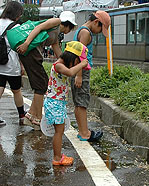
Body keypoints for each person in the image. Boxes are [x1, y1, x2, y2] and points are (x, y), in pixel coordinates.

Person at [16, 11, 77, 130]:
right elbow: (38, 28)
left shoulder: (57, 35)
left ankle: (30, 116)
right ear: (68, 24)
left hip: (34, 54)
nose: (70, 30)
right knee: (41, 85)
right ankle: (36, 118)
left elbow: (58, 52)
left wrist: (67, 65)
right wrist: (26, 44)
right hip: (30, 51)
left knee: (43, 84)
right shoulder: (56, 22)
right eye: (71, 27)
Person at [44, 41, 89, 165]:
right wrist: (83, 64)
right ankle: (57, 158)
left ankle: (58, 155)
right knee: (59, 132)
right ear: (72, 57)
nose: (77, 64)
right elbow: (70, 73)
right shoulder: (58, 65)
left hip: (57, 103)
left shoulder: (62, 64)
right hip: (54, 103)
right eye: (77, 61)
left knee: (60, 131)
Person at [0, 1, 25, 127]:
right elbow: (18, 47)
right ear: (16, 14)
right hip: (10, 64)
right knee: (16, 91)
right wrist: (22, 65)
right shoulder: (15, 27)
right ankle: (22, 115)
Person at [71, 11, 110, 142]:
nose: (99, 32)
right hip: (81, 70)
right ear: (96, 22)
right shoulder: (86, 33)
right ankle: (84, 133)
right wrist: (79, 75)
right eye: (101, 28)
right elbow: (80, 54)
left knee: (78, 102)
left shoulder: (81, 30)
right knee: (82, 102)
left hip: (77, 70)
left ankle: (83, 130)